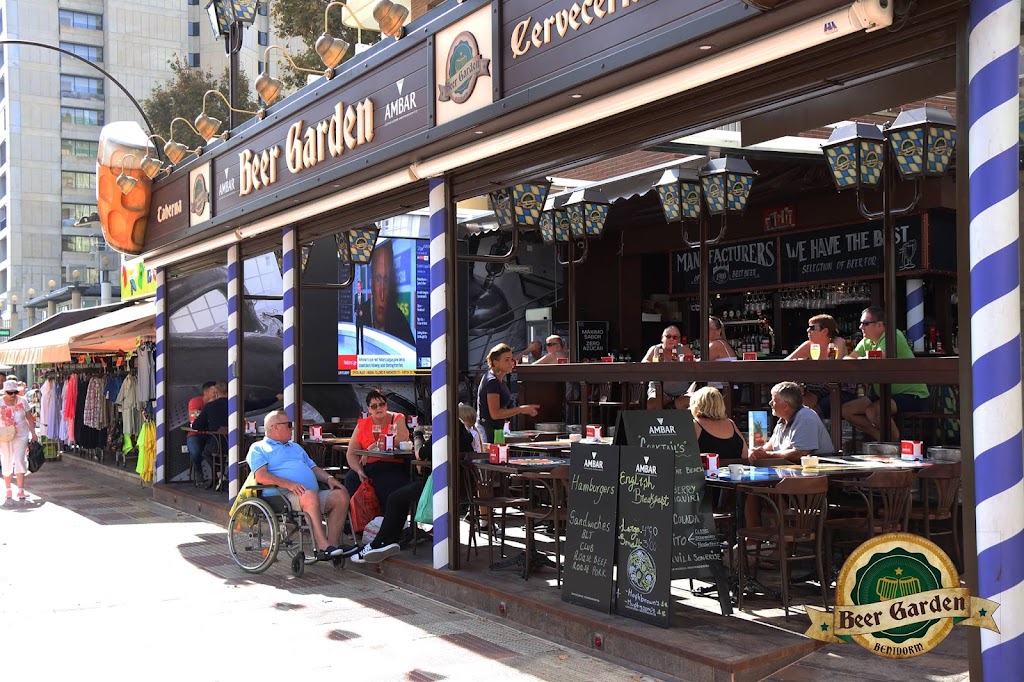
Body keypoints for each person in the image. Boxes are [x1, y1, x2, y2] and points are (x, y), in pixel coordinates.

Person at [351, 421, 475, 564]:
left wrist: (417, 435)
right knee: (400, 496)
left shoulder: (443, 432)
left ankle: (379, 543)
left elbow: (420, 454)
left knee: (395, 498)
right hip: (463, 487)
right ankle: (387, 541)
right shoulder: (465, 437)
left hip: (441, 485)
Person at [247, 410, 350, 560]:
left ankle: (332, 547)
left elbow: (313, 468)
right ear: (275, 427)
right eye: (289, 425)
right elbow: (261, 476)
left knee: (341, 495)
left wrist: (329, 479)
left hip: (308, 494)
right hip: (281, 496)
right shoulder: (259, 448)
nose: (292, 428)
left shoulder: (295, 447)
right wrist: (289, 484)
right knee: (309, 495)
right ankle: (322, 546)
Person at [842, 306, 930, 441]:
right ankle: (880, 436)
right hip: (883, 393)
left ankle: (894, 447)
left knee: (874, 411)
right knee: (847, 410)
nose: (861, 327)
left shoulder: (893, 335)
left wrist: (860, 359)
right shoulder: (867, 341)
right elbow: (848, 359)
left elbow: (879, 357)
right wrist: (859, 359)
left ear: (880, 325)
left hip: (912, 394)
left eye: (865, 323)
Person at [344, 389, 412, 510]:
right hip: (368, 466)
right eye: (374, 406)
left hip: (391, 463)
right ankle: (356, 522)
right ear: (369, 409)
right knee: (351, 478)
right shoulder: (363, 424)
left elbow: (402, 438)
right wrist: (359, 471)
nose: (378, 408)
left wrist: (372, 447)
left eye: (381, 404)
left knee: (387, 480)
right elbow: (351, 453)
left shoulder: (396, 418)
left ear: (386, 405)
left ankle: (385, 521)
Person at [785, 314, 854, 416]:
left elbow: (833, 367)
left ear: (825, 331)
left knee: (816, 409)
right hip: (815, 389)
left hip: (836, 388)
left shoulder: (837, 343)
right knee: (795, 404)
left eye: (812, 328)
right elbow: (785, 363)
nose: (808, 331)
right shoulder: (809, 345)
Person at [748, 382, 833, 464]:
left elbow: (801, 453)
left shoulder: (806, 417)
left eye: (773, 400)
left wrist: (767, 455)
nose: (770, 403)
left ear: (785, 406)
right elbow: (770, 446)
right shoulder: (783, 420)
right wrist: (756, 452)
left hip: (814, 474)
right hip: (792, 472)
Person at [476, 343, 539, 441]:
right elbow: (495, 414)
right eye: (507, 360)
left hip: (496, 430)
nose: (511, 363)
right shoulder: (492, 381)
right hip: (487, 430)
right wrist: (521, 409)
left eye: (511, 359)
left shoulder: (498, 379)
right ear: (496, 362)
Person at [360, 240, 415, 345]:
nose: (382, 295)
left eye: (386, 280)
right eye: (378, 279)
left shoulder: (401, 324)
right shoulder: (359, 316)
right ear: (371, 282)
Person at [0, 379, 38, 500]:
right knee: (6, 460)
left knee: (20, 459)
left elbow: (29, 417)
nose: (12, 395)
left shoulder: (23, 401)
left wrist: (33, 433)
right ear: (5, 392)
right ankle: (8, 489)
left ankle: (20, 490)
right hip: (4, 435)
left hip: (21, 434)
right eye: (10, 392)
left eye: (15, 392)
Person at [642, 326, 693, 409]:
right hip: (660, 391)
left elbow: (694, 368)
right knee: (653, 403)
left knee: (694, 402)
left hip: (682, 392)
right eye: (668, 336)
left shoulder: (684, 350)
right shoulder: (655, 349)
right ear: (662, 338)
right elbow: (643, 366)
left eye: (675, 337)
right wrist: (654, 365)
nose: (671, 339)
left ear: (679, 340)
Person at [689, 386, 747, 460]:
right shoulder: (730, 423)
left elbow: (686, 455)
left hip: (708, 470)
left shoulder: (695, 424)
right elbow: (745, 454)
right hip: (734, 470)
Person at [186, 381, 218, 477]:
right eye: (214, 392)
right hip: (196, 434)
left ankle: (217, 475)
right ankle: (199, 473)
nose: (216, 394)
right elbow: (194, 419)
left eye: (217, 392)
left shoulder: (219, 403)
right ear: (206, 392)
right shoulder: (195, 401)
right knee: (195, 451)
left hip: (212, 434)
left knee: (219, 451)